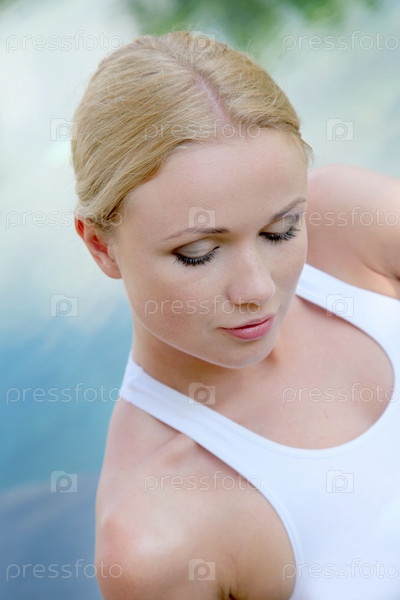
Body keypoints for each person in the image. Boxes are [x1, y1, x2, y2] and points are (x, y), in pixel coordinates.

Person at [72, 31, 400, 599]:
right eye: (198, 253)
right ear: (101, 246)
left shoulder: (351, 222)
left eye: (282, 231)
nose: (257, 289)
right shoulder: (156, 537)